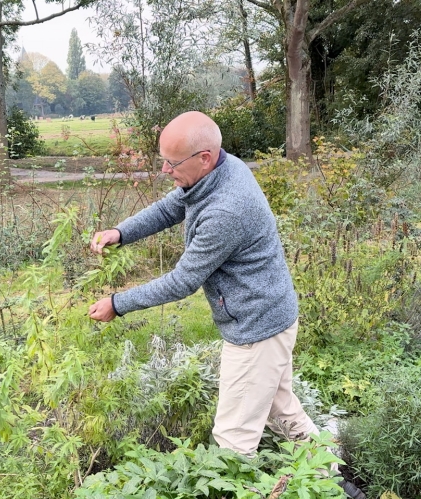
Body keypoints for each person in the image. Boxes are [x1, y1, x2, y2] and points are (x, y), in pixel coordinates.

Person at [87, 111, 320, 457]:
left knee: (232, 443)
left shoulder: (226, 211)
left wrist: (117, 303)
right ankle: (331, 477)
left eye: (171, 163)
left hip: (256, 329)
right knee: (279, 409)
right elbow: (172, 208)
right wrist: (122, 231)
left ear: (204, 158)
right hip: (271, 315)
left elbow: (181, 282)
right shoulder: (220, 169)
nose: (164, 171)